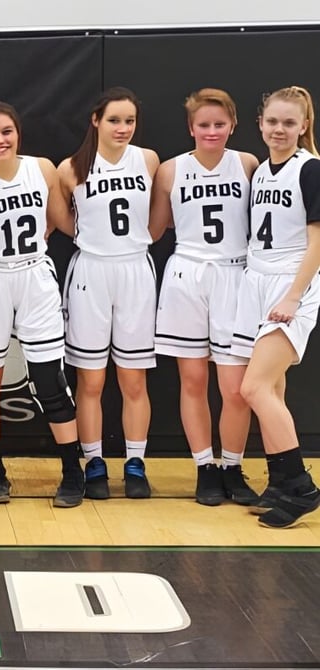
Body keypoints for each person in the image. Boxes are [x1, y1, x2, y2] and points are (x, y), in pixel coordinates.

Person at [0, 101, 85, 508]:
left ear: (17, 134)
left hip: (35, 277)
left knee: (50, 382)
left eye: (6, 131)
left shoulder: (41, 169)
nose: (0, 139)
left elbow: (63, 221)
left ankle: (71, 471)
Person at [149, 88, 260, 507]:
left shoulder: (247, 164)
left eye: (219, 124)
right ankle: (204, 468)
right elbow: (155, 230)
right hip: (187, 274)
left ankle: (233, 466)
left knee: (234, 388)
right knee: (192, 380)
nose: (211, 131)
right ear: (190, 127)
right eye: (203, 124)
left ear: (233, 125)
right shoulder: (170, 170)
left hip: (235, 274)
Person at [53, 86, 160, 500]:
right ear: (96, 120)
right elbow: (64, 221)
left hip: (135, 269)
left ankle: (135, 462)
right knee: (91, 379)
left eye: (130, 120)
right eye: (114, 119)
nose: (123, 128)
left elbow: (157, 219)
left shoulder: (147, 160)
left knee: (134, 379)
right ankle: (93, 461)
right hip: (90, 272)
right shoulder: (71, 169)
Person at [232, 85, 320, 528]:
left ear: (304, 126)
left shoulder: (311, 169)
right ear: (260, 124)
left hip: (292, 283)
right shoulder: (262, 171)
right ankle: (281, 483)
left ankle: (301, 486)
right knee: (274, 390)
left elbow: (318, 241)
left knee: (254, 389)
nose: (279, 129)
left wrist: (293, 295)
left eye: (289, 123)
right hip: (258, 280)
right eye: (273, 121)